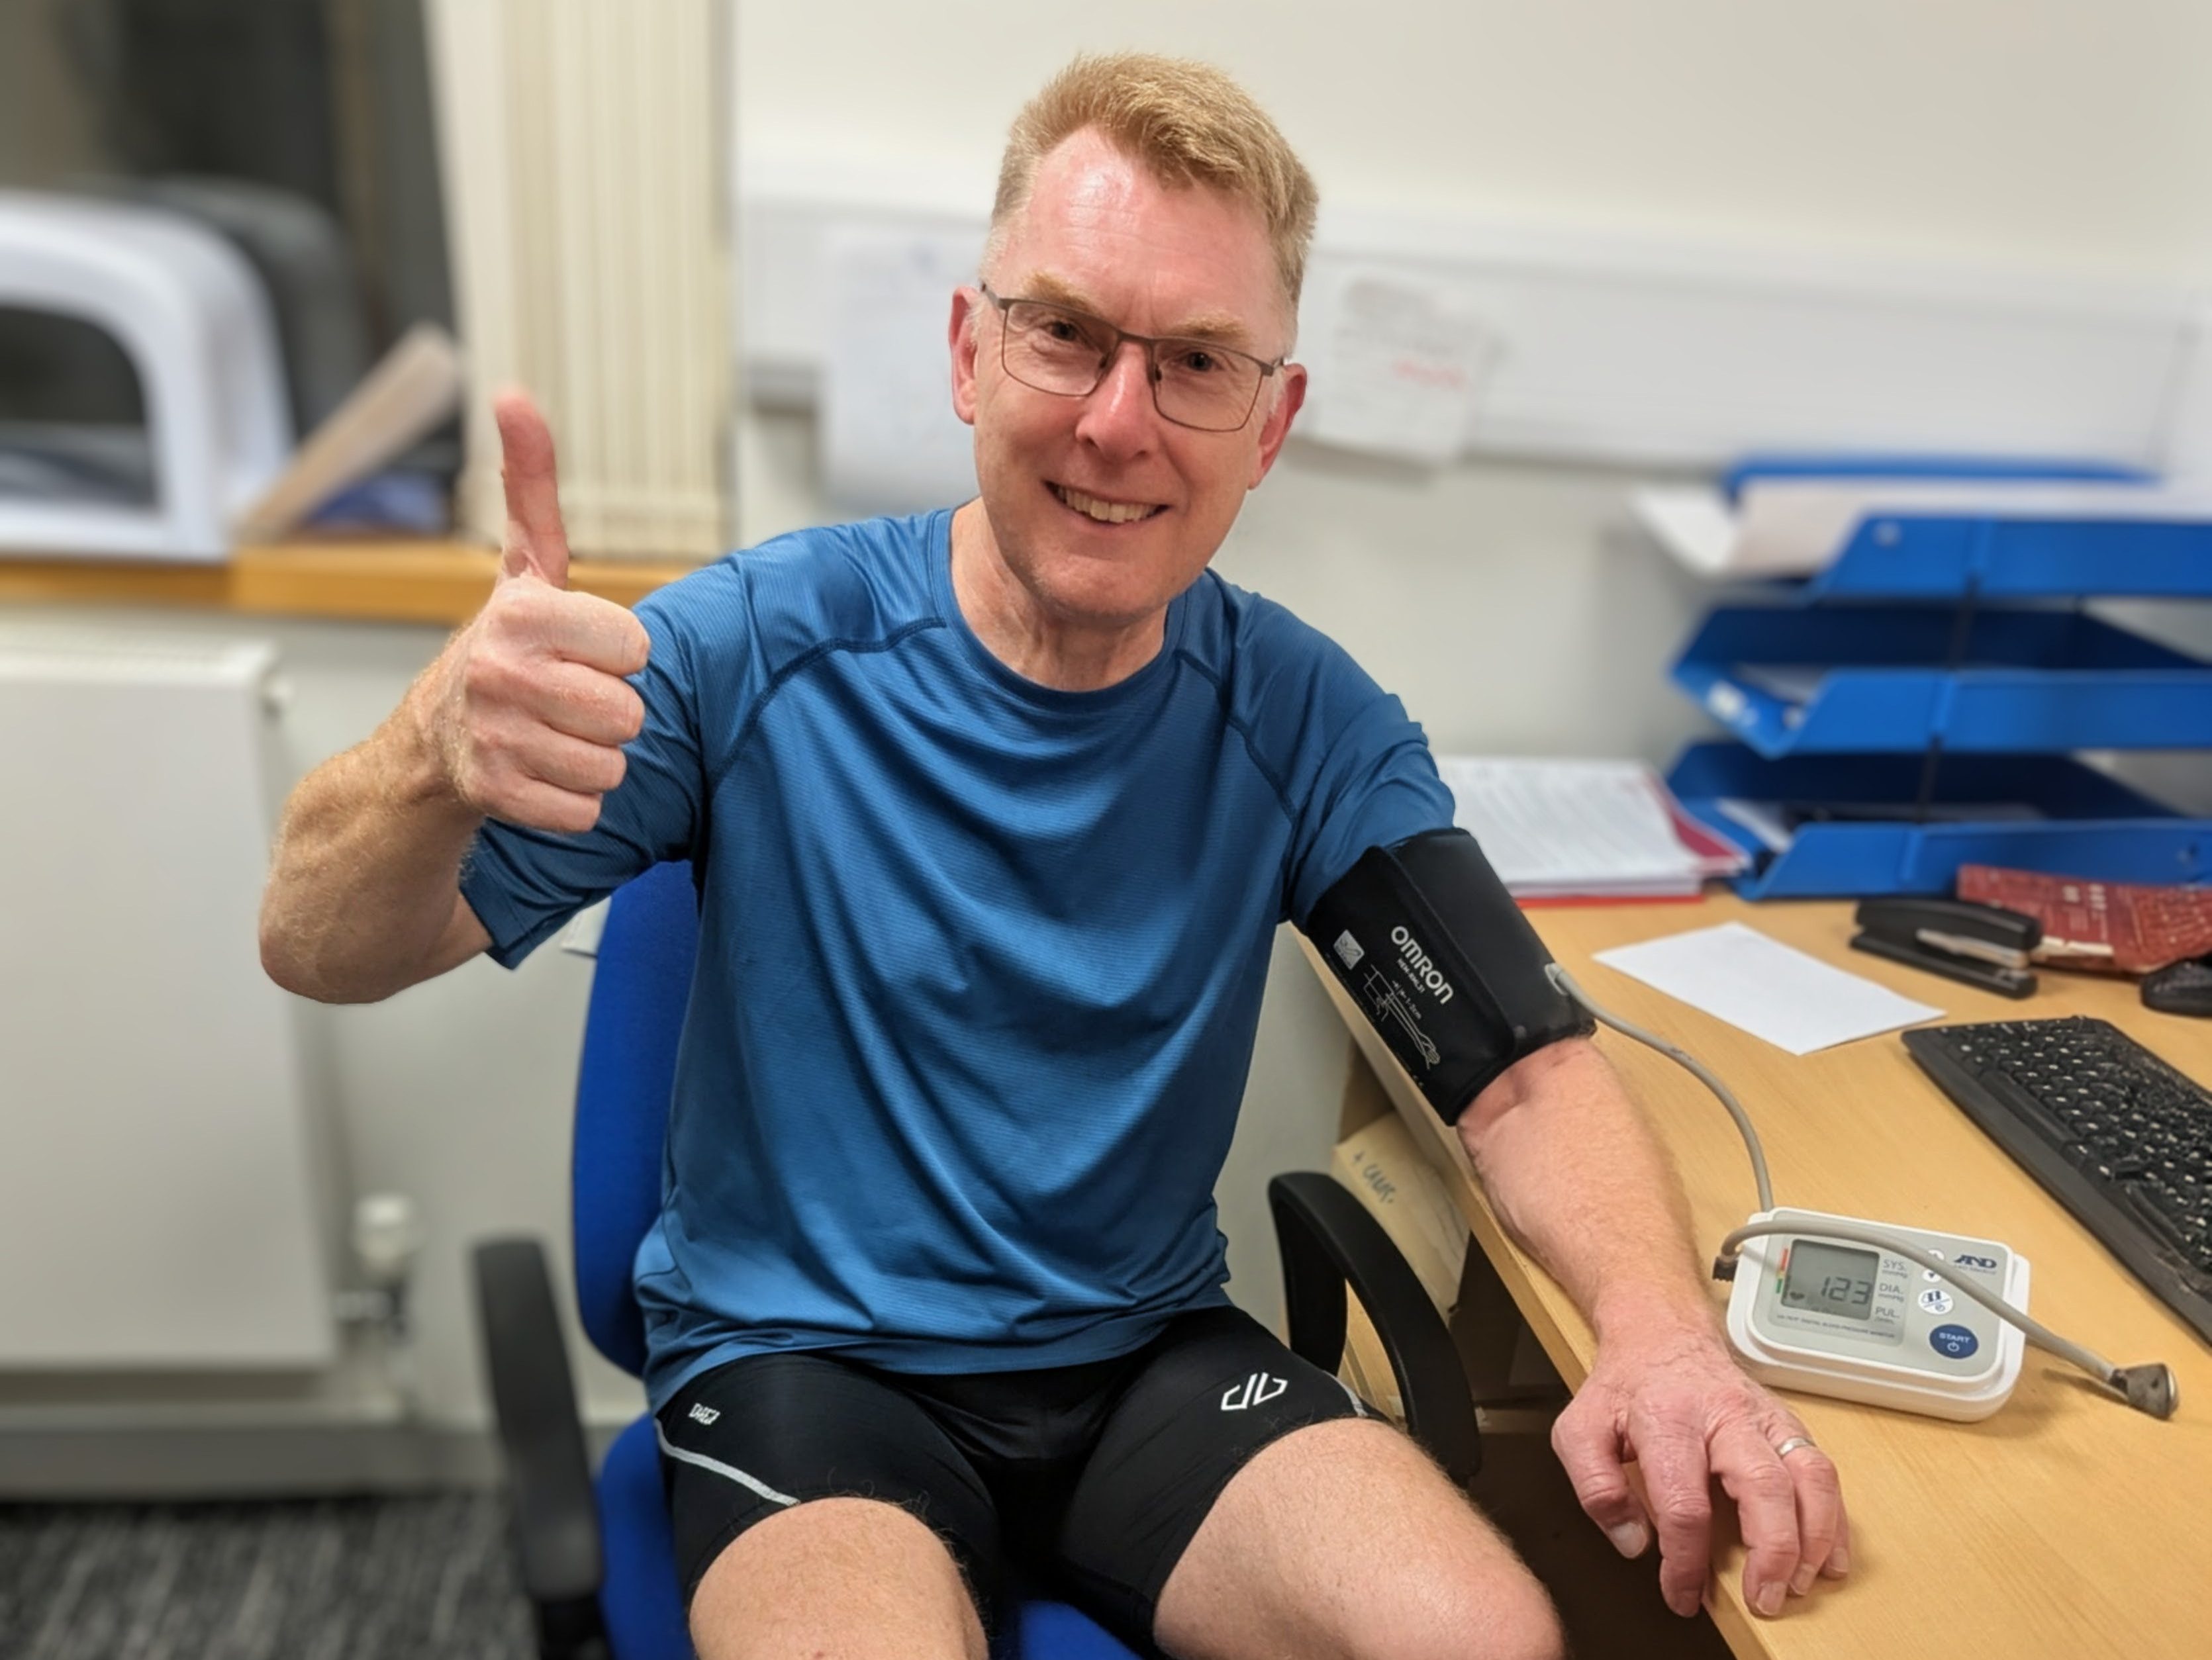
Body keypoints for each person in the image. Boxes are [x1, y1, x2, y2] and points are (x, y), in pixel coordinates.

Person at [260, 52, 1848, 1660]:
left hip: (1140, 1363)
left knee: (1482, 1639)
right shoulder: (752, 652)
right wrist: (428, 753)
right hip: (808, 1365)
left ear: (1272, 422)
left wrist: (1661, 1334)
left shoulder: (1305, 722)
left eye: (1198, 362)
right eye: (1067, 333)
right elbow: (318, 946)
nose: (1117, 421)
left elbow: (1520, 1073)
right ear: (972, 351)